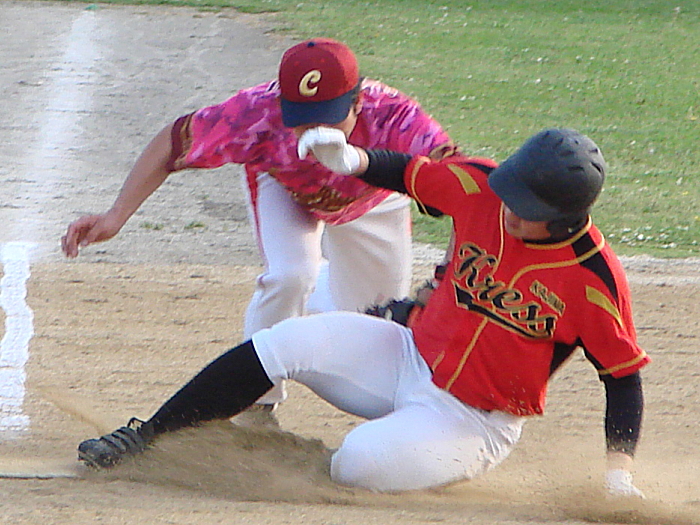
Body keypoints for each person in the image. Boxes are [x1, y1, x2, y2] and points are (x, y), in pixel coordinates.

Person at [76, 128, 649, 497]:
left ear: (565, 218)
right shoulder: (483, 188)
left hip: (474, 419)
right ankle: (146, 436)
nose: (510, 209)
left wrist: (618, 473)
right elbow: (408, 172)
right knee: (283, 343)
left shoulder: (594, 281)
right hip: (406, 354)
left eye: (526, 207)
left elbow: (622, 378)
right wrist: (354, 158)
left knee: (358, 464)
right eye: (511, 191)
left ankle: (351, 458)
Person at [60, 38, 456, 413]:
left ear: (358, 101)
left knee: (373, 318)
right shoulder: (257, 113)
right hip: (286, 187)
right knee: (289, 276)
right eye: (302, 120)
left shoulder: (395, 116)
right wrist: (116, 215)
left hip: (372, 201)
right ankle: (257, 404)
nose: (315, 133)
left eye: (328, 118)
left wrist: (446, 273)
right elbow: (173, 142)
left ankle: (321, 289)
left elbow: (465, 184)